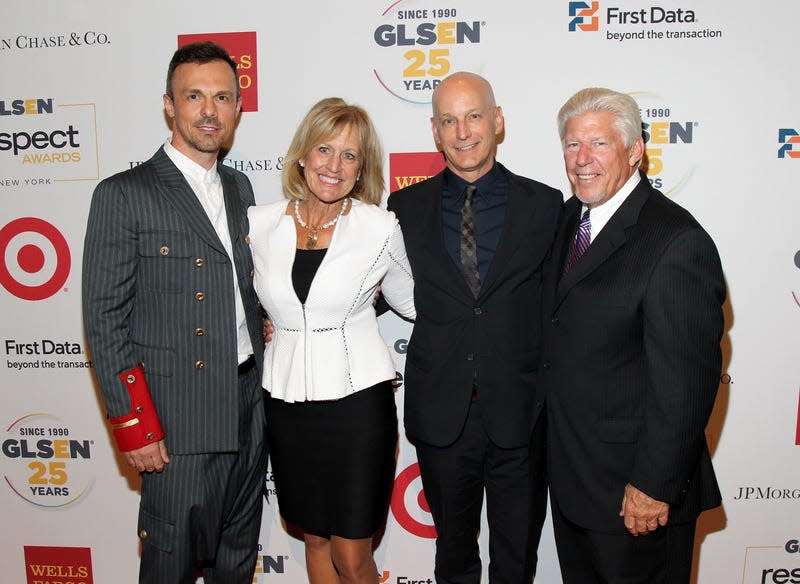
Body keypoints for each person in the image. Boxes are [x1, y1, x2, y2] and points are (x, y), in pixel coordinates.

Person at [82, 41, 267, 583]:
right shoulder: (124, 193)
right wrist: (136, 427)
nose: (209, 110)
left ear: (236, 107)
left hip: (247, 405)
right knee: (170, 567)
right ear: (169, 105)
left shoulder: (240, 187)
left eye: (222, 97)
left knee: (236, 561)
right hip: (175, 421)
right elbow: (104, 320)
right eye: (194, 96)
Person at [540, 87, 725, 583]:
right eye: (572, 145)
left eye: (598, 144)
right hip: (576, 481)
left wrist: (652, 486)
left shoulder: (675, 241)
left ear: (635, 150)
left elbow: (686, 385)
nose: (582, 160)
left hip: (636, 497)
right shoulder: (565, 220)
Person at [387, 72, 562, 583]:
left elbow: (566, 303)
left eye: (473, 116)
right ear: (435, 131)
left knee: (516, 559)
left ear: (498, 120)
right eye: (448, 120)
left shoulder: (546, 205)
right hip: (442, 414)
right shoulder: (403, 209)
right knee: (453, 555)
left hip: (522, 413)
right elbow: (367, 286)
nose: (462, 131)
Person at [247, 97, 415, 584]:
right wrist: (260, 320)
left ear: (362, 169)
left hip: (357, 407)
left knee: (351, 552)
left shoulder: (380, 229)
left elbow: (414, 303)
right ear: (303, 154)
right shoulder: (259, 224)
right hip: (287, 402)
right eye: (325, 149)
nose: (334, 166)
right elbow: (239, 294)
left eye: (350, 156)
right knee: (314, 539)